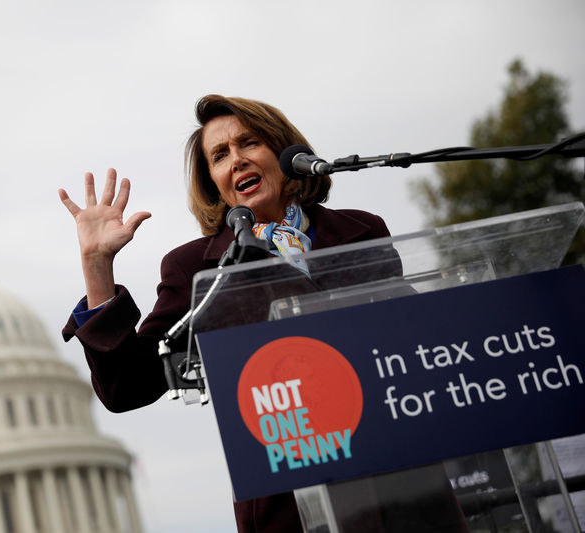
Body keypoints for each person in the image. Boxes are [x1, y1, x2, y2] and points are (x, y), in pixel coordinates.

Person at [59, 95, 468, 532]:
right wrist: (97, 267)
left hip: (407, 489)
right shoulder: (197, 268)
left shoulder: (363, 232)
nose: (236, 160)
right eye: (220, 155)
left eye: (248, 143)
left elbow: (416, 342)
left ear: (285, 153)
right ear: (213, 181)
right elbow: (127, 387)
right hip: (291, 505)